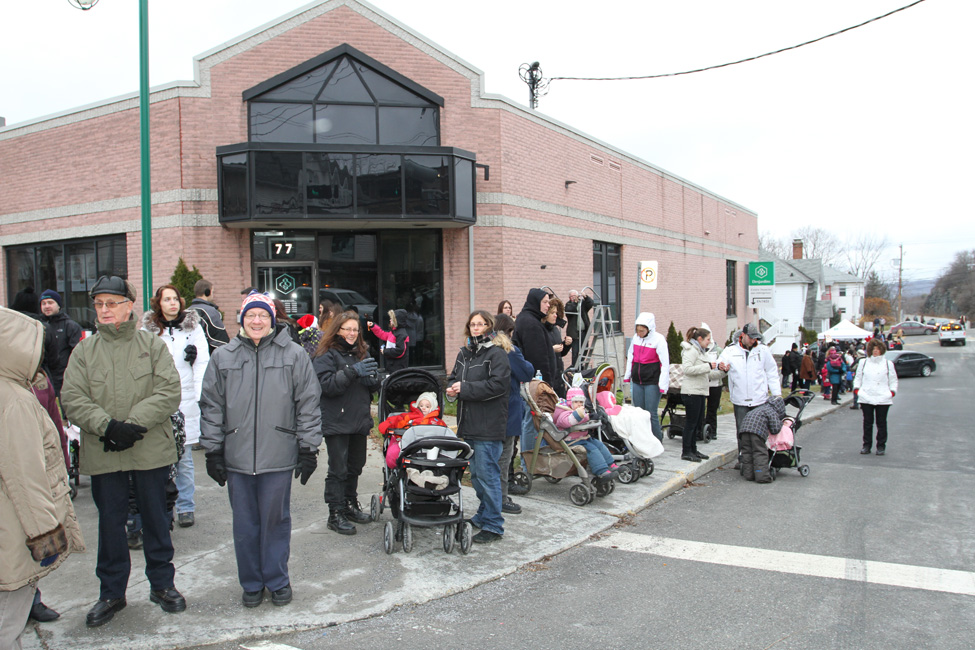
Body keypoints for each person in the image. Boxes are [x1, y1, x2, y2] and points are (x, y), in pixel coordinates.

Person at [61, 276, 185, 627]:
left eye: (112, 303)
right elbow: (72, 398)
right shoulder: (84, 351)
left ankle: (163, 585)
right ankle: (111, 593)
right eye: (99, 304)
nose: (104, 310)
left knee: (157, 521)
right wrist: (108, 427)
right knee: (111, 526)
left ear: (130, 306)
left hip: (149, 449)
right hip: (105, 452)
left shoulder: (152, 345)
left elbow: (168, 391)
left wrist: (131, 425)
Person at [200, 291, 322, 608]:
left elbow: (308, 403)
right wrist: (213, 450)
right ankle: (252, 582)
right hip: (237, 457)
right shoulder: (223, 357)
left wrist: (308, 447)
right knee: (245, 524)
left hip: (278, 455)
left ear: (272, 319)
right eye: (251, 315)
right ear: (242, 319)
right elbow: (211, 406)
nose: (257, 321)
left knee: (275, 522)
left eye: (263, 315)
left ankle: (277, 580)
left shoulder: (294, 355)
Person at [0, 307, 85, 649]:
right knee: (8, 623)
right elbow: (24, 475)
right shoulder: (14, 401)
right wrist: (45, 535)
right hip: (14, 531)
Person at [141, 284, 210, 528]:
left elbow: (203, 362)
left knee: (184, 459)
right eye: (166, 299)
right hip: (158, 399)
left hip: (186, 397)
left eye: (175, 298)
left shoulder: (193, 327)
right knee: (159, 459)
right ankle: (164, 506)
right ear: (158, 303)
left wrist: (201, 393)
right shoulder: (148, 331)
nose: (172, 303)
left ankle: (185, 506)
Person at [446, 310, 511, 544]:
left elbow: (498, 386)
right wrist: (452, 388)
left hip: (489, 425)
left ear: (489, 327)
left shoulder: (496, 354)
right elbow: (454, 378)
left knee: (488, 476)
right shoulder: (464, 353)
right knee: (476, 476)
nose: (476, 328)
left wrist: (465, 388)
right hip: (468, 424)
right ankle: (484, 515)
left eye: (480, 324)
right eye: (472, 324)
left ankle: (494, 524)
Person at [313, 311, 380, 535]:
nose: (352, 334)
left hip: (358, 419)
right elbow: (326, 386)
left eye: (355, 330)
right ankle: (335, 512)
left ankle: (350, 504)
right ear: (338, 330)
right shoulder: (327, 354)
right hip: (337, 420)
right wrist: (352, 372)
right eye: (347, 329)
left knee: (355, 466)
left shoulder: (361, 352)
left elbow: (368, 384)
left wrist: (373, 381)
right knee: (338, 469)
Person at [717, 323, 780, 469]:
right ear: (743, 335)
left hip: (759, 399)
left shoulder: (763, 350)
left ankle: (760, 460)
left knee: (759, 431)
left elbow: (771, 371)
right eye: (751, 338)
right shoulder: (731, 350)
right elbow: (721, 362)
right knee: (742, 430)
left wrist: (776, 393)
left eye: (755, 338)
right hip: (740, 399)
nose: (753, 341)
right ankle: (744, 459)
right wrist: (722, 365)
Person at [493, 313, 534, 515]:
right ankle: (500, 499)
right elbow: (527, 372)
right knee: (504, 456)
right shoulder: (510, 351)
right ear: (509, 332)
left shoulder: (484, 348)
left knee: (489, 457)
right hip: (507, 409)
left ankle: (493, 497)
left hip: (488, 411)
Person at [552, 387, 620, 481]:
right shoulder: (565, 412)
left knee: (599, 444)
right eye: (576, 402)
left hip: (583, 438)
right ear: (570, 402)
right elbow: (567, 422)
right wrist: (579, 415)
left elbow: (583, 419)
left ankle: (611, 464)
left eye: (581, 402)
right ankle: (601, 471)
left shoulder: (580, 412)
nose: (579, 404)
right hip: (571, 440)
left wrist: (590, 417)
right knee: (592, 449)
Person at [622, 312, 669, 441]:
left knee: (651, 412)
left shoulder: (659, 340)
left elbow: (665, 363)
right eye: (637, 331)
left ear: (649, 329)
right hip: (637, 380)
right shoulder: (636, 339)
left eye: (642, 331)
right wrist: (627, 376)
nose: (639, 333)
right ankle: (642, 439)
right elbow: (630, 357)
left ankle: (657, 440)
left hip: (652, 382)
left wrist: (663, 385)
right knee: (638, 412)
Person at [679, 326, 723, 462]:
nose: (709, 342)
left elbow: (708, 373)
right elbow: (687, 369)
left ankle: (693, 449)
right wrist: (708, 366)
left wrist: (723, 371)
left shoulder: (701, 352)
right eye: (708, 339)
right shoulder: (691, 350)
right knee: (691, 423)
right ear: (700, 339)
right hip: (691, 392)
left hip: (700, 392)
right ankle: (686, 451)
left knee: (697, 422)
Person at [378, 392, 447, 468]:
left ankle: (430, 469)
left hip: (429, 446)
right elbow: (397, 419)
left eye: (427, 406)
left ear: (432, 408)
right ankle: (414, 471)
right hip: (411, 444)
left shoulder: (437, 421)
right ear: (417, 405)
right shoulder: (410, 416)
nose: (423, 408)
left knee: (435, 448)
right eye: (421, 405)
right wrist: (387, 424)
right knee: (396, 450)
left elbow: (444, 431)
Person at [853, 338, 897, 456]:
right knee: (867, 422)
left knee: (881, 422)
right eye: (873, 349)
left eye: (878, 349)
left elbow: (893, 380)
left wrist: (892, 392)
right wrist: (857, 390)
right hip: (866, 395)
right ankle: (866, 445)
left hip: (883, 397)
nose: (875, 351)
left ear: (881, 350)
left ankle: (881, 446)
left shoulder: (888, 364)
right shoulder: (864, 362)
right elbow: (858, 377)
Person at [38, 288, 83, 396]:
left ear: (59, 305)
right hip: (43, 379)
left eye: (50, 302)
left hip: (64, 379)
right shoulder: (38, 326)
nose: (47, 306)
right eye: (43, 303)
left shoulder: (70, 326)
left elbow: (78, 353)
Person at [738, 396, 786, 483]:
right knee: (759, 452)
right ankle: (761, 476)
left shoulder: (760, 408)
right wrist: (781, 423)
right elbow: (775, 429)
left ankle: (749, 474)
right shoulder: (771, 411)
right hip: (757, 432)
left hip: (743, 431)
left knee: (747, 452)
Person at [514, 289, 555, 386]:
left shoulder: (527, 319)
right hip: (537, 385)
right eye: (545, 302)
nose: (548, 305)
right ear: (535, 302)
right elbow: (538, 359)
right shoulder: (532, 324)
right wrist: (546, 386)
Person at [188, 279, 229, 354]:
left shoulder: (187, 311)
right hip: (207, 354)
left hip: (191, 354)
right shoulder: (210, 312)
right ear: (207, 292)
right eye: (212, 292)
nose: (213, 294)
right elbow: (220, 339)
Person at [700, 322, 724, 441]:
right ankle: (701, 430)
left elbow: (723, 369)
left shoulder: (718, 350)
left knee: (712, 409)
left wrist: (710, 374)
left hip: (715, 385)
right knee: (700, 409)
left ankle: (712, 431)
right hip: (701, 384)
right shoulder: (698, 350)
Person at [544, 297, 572, 397]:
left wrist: (566, 344)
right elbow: (538, 352)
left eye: (556, 313)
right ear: (546, 314)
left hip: (559, 378)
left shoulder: (555, 330)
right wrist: (552, 349)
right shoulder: (541, 330)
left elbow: (561, 352)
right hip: (549, 379)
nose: (555, 316)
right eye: (552, 313)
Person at [564, 289, 594, 369]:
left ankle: (581, 365)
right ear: (570, 297)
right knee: (575, 351)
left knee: (584, 348)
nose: (574, 297)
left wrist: (585, 296)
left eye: (575, 296)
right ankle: (575, 367)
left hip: (583, 331)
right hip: (574, 333)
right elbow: (569, 310)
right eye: (572, 296)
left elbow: (591, 303)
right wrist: (575, 302)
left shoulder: (582, 304)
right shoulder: (569, 304)